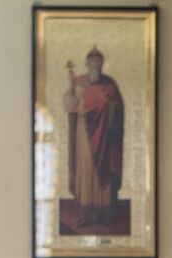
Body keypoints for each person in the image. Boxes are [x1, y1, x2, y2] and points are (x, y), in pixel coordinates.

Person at [62, 48, 127, 233]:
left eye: (98, 60)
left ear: (102, 63)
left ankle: (105, 215)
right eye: (91, 60)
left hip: (105, 135)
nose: (95, 64)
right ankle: (87, 214)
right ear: (87, 63)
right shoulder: (79, 82)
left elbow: (118, 107)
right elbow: (69, 106)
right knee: (86, 171)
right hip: (84, 133)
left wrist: (110, 107)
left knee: (104, 174)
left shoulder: (110, 84)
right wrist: (71, 92)